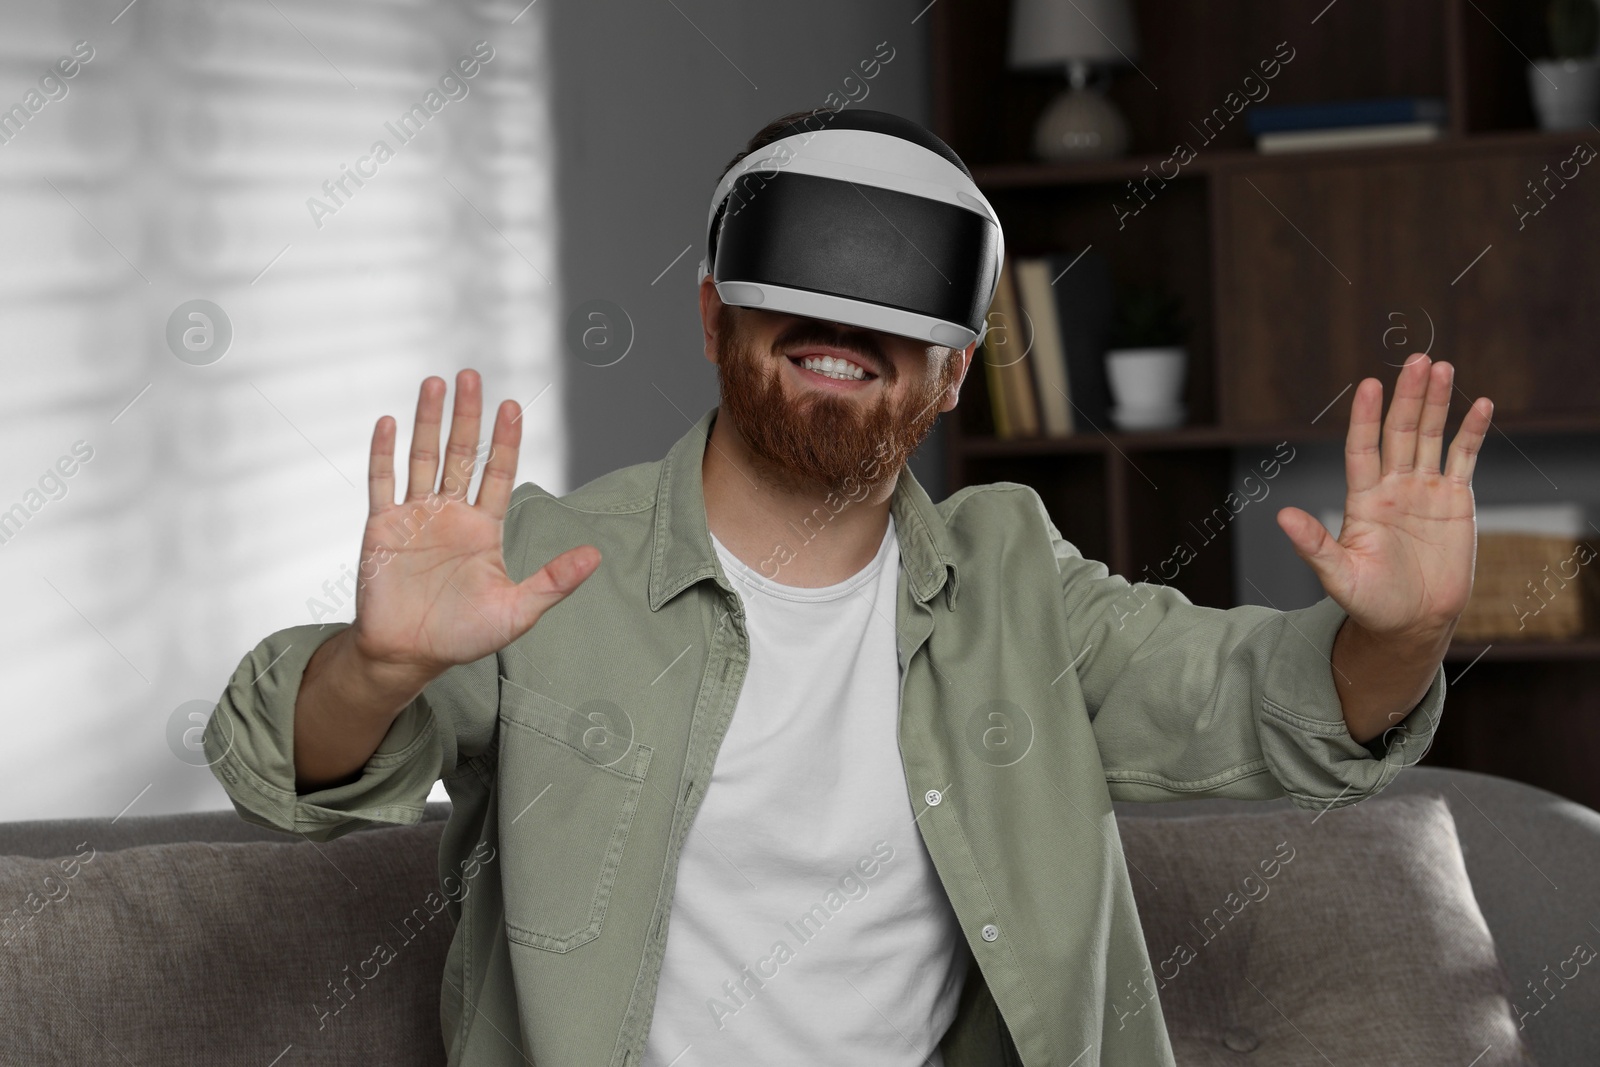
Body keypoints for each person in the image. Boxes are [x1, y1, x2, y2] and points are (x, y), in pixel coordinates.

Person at [206, 109, 1493, 1067]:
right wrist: (378, 668)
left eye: (899, 312)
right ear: (712, 315)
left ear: (953, 372)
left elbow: (1272, 707)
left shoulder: (1015, 581)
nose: (848, 328)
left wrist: (1407, 629)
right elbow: (287, 760)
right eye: (803, 293)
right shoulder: (548, 564)